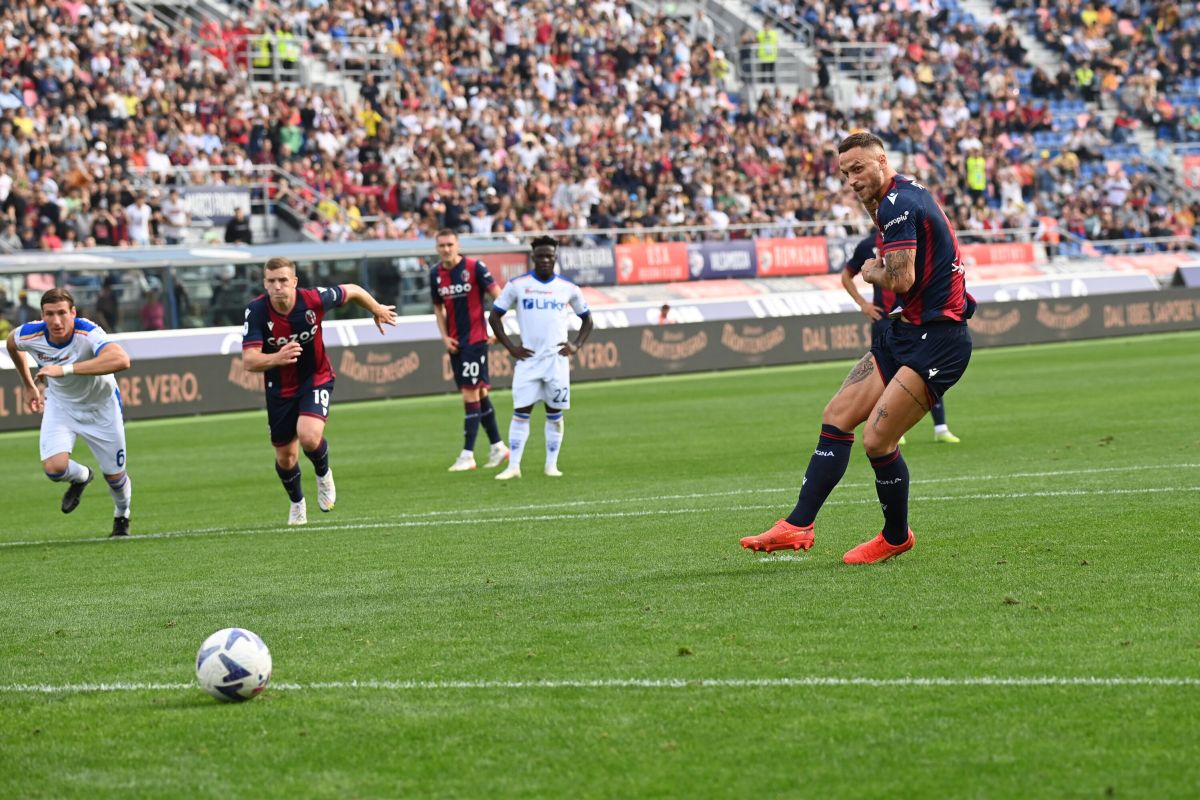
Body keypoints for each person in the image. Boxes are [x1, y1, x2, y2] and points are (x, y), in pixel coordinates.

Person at [741, 131, 974, 564]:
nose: (851, 179)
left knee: (877, 441)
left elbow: (900, 280)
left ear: (882, 161)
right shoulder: (896, 197)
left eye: (859, 168)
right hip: (906, 331)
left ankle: (896, 536)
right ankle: (797, 523)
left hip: (939, 341)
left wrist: (871, 272)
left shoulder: (898, 204)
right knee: (837, 415)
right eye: (846, 172)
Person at [241, 256, 397, 525]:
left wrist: (376, 308)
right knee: (286, 457)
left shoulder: (313, 299)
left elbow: (354, 290)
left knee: (309, 437)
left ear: (294, 282)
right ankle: (297, 502)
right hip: (279, 389)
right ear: (265, 283)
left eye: (283, 281)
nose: (278, 286)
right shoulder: (256, 311)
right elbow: (249, 360)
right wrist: (277, 358)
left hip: (316, 377)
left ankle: (323, 475)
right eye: (271, 281)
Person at [5, 287, 134, 537]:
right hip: (61, 406)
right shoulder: (30, 334)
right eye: (49, 314)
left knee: (115, 478)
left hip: (102, 409)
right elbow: (12, 344)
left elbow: (121, 360)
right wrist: (29, 386)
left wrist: (63, 370)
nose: (56, 320)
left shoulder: (88, 332)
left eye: (62, 313)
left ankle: (122, 514)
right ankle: (82, 476)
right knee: (54, 469)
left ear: (73, 313)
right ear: (42, 316)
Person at [488, 235, 593, 480]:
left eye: (550, 256)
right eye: (541, 256)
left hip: (556, 362)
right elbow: (494, 317)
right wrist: (511, 348)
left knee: (554, 413)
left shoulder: (568, 288)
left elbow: (587, 319)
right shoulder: (517, 285)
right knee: (521, 411)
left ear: (555, 258)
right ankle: (513, 466)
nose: (545, 260)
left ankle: (551, 465)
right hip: (528, 361)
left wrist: (576, 345)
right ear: (532, 258)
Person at [841, 232, 961, 444]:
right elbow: (846, 276)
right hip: (883, 319)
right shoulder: (868, 245)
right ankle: (893, 430)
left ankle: (941, 427)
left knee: (928, 369)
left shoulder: (911, 239)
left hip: (911, 317)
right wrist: (863, 304)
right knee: (886, 374)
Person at [430, 228, 510, 472]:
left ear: (458, 245)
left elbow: (500, 296)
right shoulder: (435, 274)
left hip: (476, 341)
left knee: (470, 394)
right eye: (442, 245)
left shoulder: (475, 267)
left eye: (450, 244)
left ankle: (467, 455)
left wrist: (499, 330)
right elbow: (438, 308)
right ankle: (498, 446)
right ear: (437, 248)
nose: (446, 249)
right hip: (456, 343)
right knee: (480, 393)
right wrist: (444, 337)